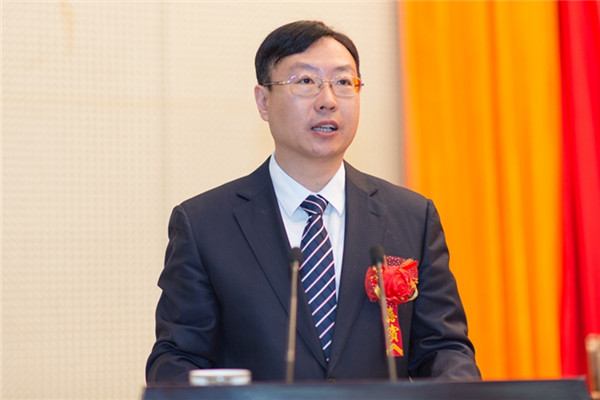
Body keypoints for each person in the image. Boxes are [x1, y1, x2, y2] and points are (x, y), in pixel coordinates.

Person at [146, 20, 481, 383]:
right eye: (306, 81)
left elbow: (444, 349)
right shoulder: (205, 225)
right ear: (263, 101)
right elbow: (177, 360)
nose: (328, 100)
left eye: (344, 82)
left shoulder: (412, 217)